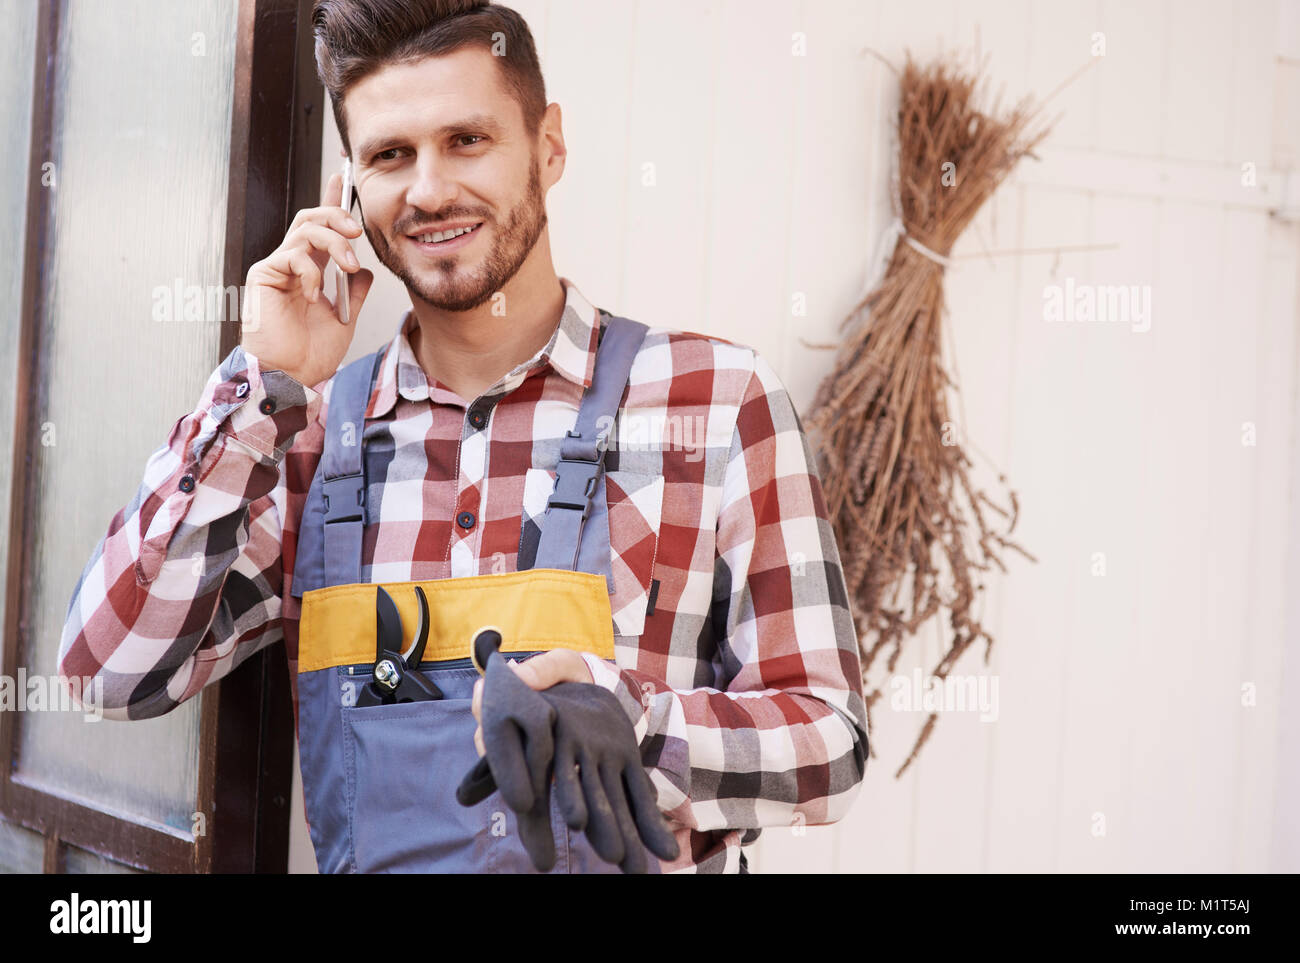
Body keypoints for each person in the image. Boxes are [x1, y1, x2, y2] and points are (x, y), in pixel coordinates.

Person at [58, 0, 868, 874]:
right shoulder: (309, 438)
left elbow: (831, 744)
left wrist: (635, 721)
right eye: (390, 155)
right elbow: (106, 673)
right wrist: (261, 383)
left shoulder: (715, 402)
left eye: (467, 140)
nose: (431, 189)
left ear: (549, 146)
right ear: (350, 191)